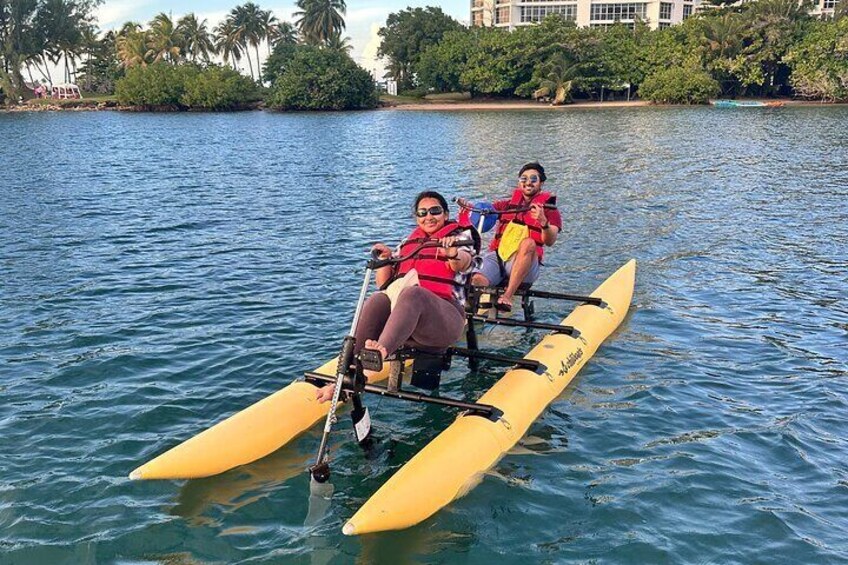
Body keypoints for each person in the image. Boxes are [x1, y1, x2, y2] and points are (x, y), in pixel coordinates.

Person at [316, 191, 477, 402]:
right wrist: (385, 259)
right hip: (407, 326)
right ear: (416, 217)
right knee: (378, 298)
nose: (429, 216)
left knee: (414, 293)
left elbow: (463, 261)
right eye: (422, 212)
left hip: (444, 321)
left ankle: (379, 355)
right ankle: (350, 373)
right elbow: (384, 283)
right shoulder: (409, 243)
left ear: (446, 214)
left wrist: (452, 253)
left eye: (435, 211)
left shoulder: (459, 238)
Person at [459, 162, 561, 312]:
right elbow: (482, 215)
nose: (528, 182)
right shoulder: (506, 205)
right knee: (476, 279)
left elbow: (550, 241)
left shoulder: (550, 210)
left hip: (527, 265)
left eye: (533, 179)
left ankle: (507, 296)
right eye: (523, 178)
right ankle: (469, 306)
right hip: (500, 258)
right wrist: (468, 210)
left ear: (541, 183)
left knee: (528, 243)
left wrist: (543, 222)